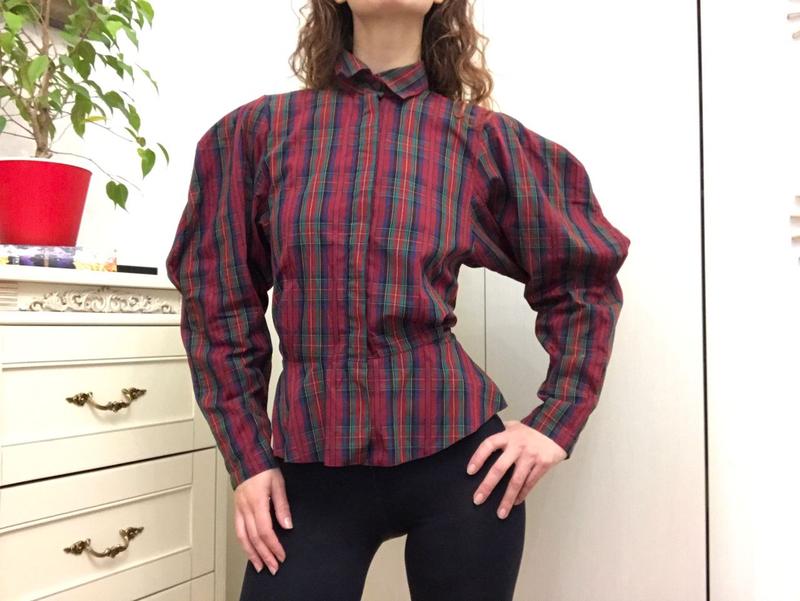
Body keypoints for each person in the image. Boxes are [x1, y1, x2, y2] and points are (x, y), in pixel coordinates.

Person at [165, 0, 631, 599]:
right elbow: (219, 305)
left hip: (461, 467)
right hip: (311, 469)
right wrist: (248, 458)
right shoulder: (254, 134)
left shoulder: (479, 140)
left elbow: (581, 278)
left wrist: (558, 419)